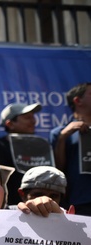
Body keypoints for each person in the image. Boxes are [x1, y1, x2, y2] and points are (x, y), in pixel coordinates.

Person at [50, 82, 91, 216]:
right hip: (79, 202)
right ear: (77, 100)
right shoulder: (60, 133)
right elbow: (58, 170)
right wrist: (62, 138)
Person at [0, 102, 42, 206]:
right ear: (10, 124)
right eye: (27, 117)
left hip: (42, 206)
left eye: (33, 117)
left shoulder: (41, 146)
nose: (33, 121)